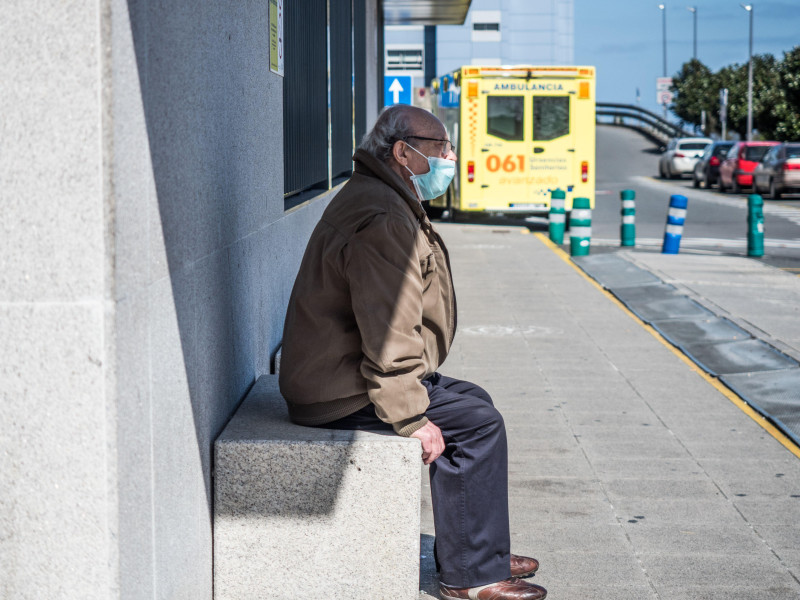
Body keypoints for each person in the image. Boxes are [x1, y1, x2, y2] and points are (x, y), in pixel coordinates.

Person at [279, 104, 547, 600]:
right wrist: (409, 417)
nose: (449, 158)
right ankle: (471, 577)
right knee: (478, 424)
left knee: (476, 400)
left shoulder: (383, 195)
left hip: (339, 372)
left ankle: (476, 548)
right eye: (441, 149)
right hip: (336, 390)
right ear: (404, 152)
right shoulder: (383, 215)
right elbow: (388, 330)